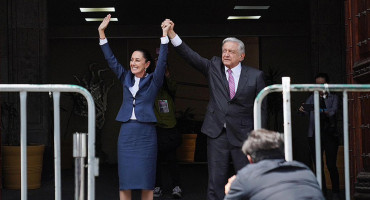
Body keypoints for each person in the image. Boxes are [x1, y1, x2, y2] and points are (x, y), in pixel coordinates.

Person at [162, 19, 267, 200]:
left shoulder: (256, 76)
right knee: (216, 180)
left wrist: (259, 136)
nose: (226, 54)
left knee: (247, 178)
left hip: (244, 134)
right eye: (224, 51)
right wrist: (172, 34)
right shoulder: (214, 67)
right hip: (217, 132)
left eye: (231, 52)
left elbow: (262, 108)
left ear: (241, 56)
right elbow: (190, 56)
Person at [98, 14, 171, 200]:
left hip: (146, 134)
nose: (133, 63)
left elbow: (161, 62)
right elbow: (111, 60)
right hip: (127, 133)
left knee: (146, 181)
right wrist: (101, 33)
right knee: (126, 180)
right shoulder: (125, 78)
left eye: (138, 60)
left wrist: (164, 36)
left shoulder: (154, 81)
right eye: (132, 59)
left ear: (147, 64)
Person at [224, 129, 325, 200]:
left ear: (250, 159)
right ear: (282, 152)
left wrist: (230, 190)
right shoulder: (304, 170)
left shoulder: (246, 176)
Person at [299, 73, 340, 200]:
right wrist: (302, 109)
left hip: (329, 135)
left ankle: (336, 192)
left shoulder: (333, 97)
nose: (319, 87)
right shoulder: (312, 97)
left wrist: (319, 109)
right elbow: (304, 113)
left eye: (322, 84)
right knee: (318, 165)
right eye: (317, 85)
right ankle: (321, 193)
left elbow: (332, 112)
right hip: (314, 135)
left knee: (331, 164)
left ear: (327, 84)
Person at [153, 66, 183, 198]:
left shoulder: (169, 91)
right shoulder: (152, 91)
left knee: (172, 160)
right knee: (156, 161)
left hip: (170, 129)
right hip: (156, 129)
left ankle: (176, 186)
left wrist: (166, 73)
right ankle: (157, 186)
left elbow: (172, 85)